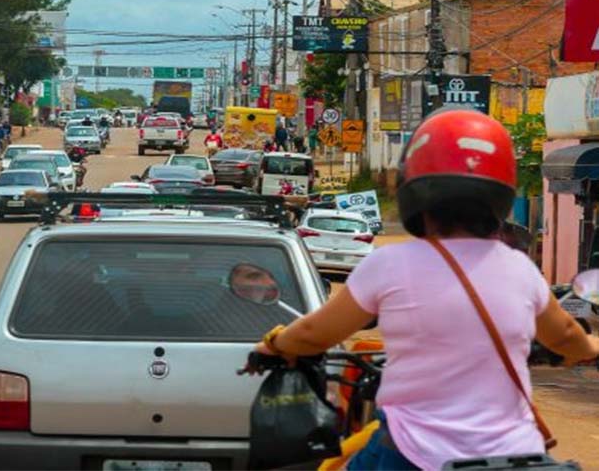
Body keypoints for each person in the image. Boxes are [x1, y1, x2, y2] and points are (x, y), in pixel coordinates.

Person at [249, 109, 599, 470]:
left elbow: (312, 334)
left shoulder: (390, 264)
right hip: (513, 455)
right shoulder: (521, 269)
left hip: (412, 452)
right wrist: (593, 347)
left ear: (412, 190)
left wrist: (273, 345)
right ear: (501, 195)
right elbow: (568, 338)